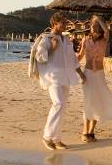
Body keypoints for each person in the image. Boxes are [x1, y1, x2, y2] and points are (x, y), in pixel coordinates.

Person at [29, 12, 85, 151]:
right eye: (63, 22)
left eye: (66, 22)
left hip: (65, 76)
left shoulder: (66, 39)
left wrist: (81, 74)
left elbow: (72, 59)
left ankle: (56, 139)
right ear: (55, 24)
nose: (66, 24)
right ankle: (47, 137)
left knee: (63, 106)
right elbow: (39, 57)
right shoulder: (47, 38)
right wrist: (52, 48)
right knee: (58, 103)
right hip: (52, 76)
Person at [77, 16, 112, 143]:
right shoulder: (86, 40)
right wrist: (72, 65)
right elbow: (80, 55)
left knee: (98, 102)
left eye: (97, 25)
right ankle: (85, 132)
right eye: (92, 24)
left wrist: (99, 19)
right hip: (88, 74)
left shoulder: (104, 39)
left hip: (100, 75)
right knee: (88, 102)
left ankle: (91, 132)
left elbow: (107, 31)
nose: (94, 26)